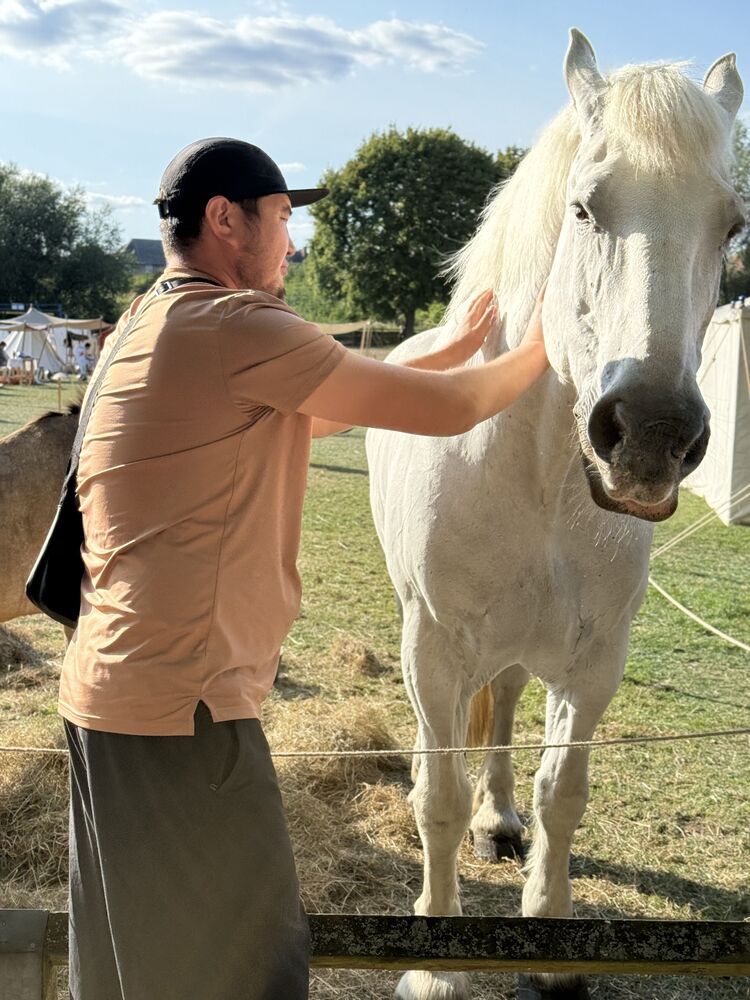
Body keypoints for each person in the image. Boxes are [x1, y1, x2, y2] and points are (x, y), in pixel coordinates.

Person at [59, 137, 549, 1000]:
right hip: (187, 711)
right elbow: (453, 410)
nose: (294, 241)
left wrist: (451, 346)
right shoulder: (235, 326)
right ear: (225, 220)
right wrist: (551, 339)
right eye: (283, 219)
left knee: (133, 963)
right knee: (250, 964)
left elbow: (319, 410)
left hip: (106, 701)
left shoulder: (150, 319)